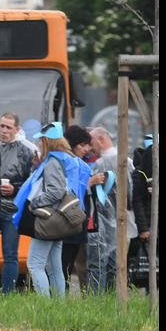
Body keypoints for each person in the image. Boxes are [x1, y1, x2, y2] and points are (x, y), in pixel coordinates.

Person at [12, 122, 91, 298]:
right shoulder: (69, 159)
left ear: (47, 141)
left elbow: (56, 191)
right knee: (55, 267)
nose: (39, 144)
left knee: (35, 264)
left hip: (49, 220)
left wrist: (35, 203)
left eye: (41, 141)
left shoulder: (54, 162)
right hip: (61, 220)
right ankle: (59, 305)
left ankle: (44, 304)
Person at [86, 127, 135, 293]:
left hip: (102, 221)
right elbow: (131, 193)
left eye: (92, 143)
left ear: (101, 139)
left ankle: (96, 300)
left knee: (98, 264)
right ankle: (114, 298)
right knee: (115, 263)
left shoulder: (101, 163)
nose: (91, 149)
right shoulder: (127, 161)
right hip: (122, 221)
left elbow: (94, 196)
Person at [0, 112, 33, 293]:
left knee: (10, 255)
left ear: (17, 129)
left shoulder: (25, 151)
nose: (4, 130)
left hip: (12, 210)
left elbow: (32, 182)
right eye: (1, 126)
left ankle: (8, 294)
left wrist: (14, 189)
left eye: (8, 127)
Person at [62, 124, 94, 291]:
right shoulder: (67, 162)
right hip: (68, 220)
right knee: (64, 264)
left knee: (72, 257)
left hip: (78, 220)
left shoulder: (80, 162)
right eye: (82, 145)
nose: (86, 149)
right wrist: (91, 182)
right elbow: (70, 188)